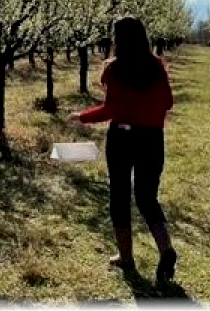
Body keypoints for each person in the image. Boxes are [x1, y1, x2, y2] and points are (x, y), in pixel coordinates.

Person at [71, 15, 178, 285]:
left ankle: (126, 257)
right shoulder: (156, 66)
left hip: (122, 138)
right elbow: (168, 103)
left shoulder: (114, 69)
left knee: (119, 195)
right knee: (147, 198)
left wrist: (82, 116)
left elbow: (110, 110)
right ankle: (166, 249)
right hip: (152, 139)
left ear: (119, 39)